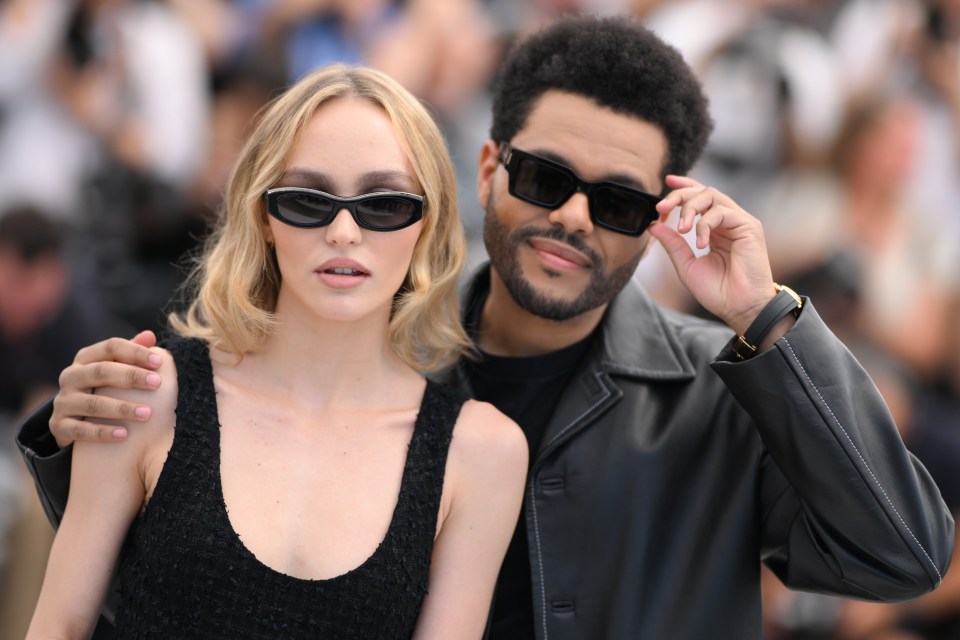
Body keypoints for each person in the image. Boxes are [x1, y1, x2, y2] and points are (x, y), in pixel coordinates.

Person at [17, 14, 955, 640]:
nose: (576, 219)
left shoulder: (729, 388)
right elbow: (188, 562)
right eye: (547, 180)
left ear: (664, 218)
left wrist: (766, 317)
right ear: (487, 169)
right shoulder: (368, 342)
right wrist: (83, 434)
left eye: (622, 202)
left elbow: (902, 555)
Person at [22, 63, 527, 639]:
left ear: (426, 224)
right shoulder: (148, 394)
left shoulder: (481, 454)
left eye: (384, 203)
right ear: (263, 214)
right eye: (307, 200)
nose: (343, 232)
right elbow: (57, 626)